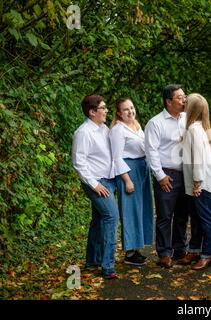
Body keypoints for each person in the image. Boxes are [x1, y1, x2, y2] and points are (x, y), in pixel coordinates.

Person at [144, 84, 199, 268]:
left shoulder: (187, 119)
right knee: (165, 215)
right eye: (180, 97)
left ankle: (179, 249)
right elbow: (151, 151)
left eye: (185, 96)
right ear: (168, 101)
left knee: (183, 214)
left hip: (186, 173)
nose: (184, 100)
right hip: (166, 174)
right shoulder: (156, 123)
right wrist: (160, 176)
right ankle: (164, 253)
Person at [72, 95, 119, 279]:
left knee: (98, 220)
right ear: (92, 112)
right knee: (111, 217)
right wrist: (95, 184)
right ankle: (108, 267)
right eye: (103, 108)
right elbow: (78, 163)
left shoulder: (103, 128)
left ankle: (92, 260)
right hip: (96, 182)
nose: (106, 110)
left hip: (108, 181)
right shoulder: (83, 132)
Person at [109, 98, 154, 266]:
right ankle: (129, 252)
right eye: (126, 110)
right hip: (129, 171)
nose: (130, 111)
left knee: (142, 209)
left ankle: (136, 248)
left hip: (142, 169)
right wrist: (127, 180)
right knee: (130, 210)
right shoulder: (118, 130)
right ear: (119, 113)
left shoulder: (136, 126)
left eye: (132, 108)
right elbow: (117, 157)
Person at [181, 93, 211, 270]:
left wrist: (197, 183)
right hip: (198, 182)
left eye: (185, 102)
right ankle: (195, 250)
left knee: (206, 220)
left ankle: (207, 255)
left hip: (202, 183)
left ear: (191, 108)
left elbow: (198, 159)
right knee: (196, 219)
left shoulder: (194, 130)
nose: (183, 103)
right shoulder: (197, 127)